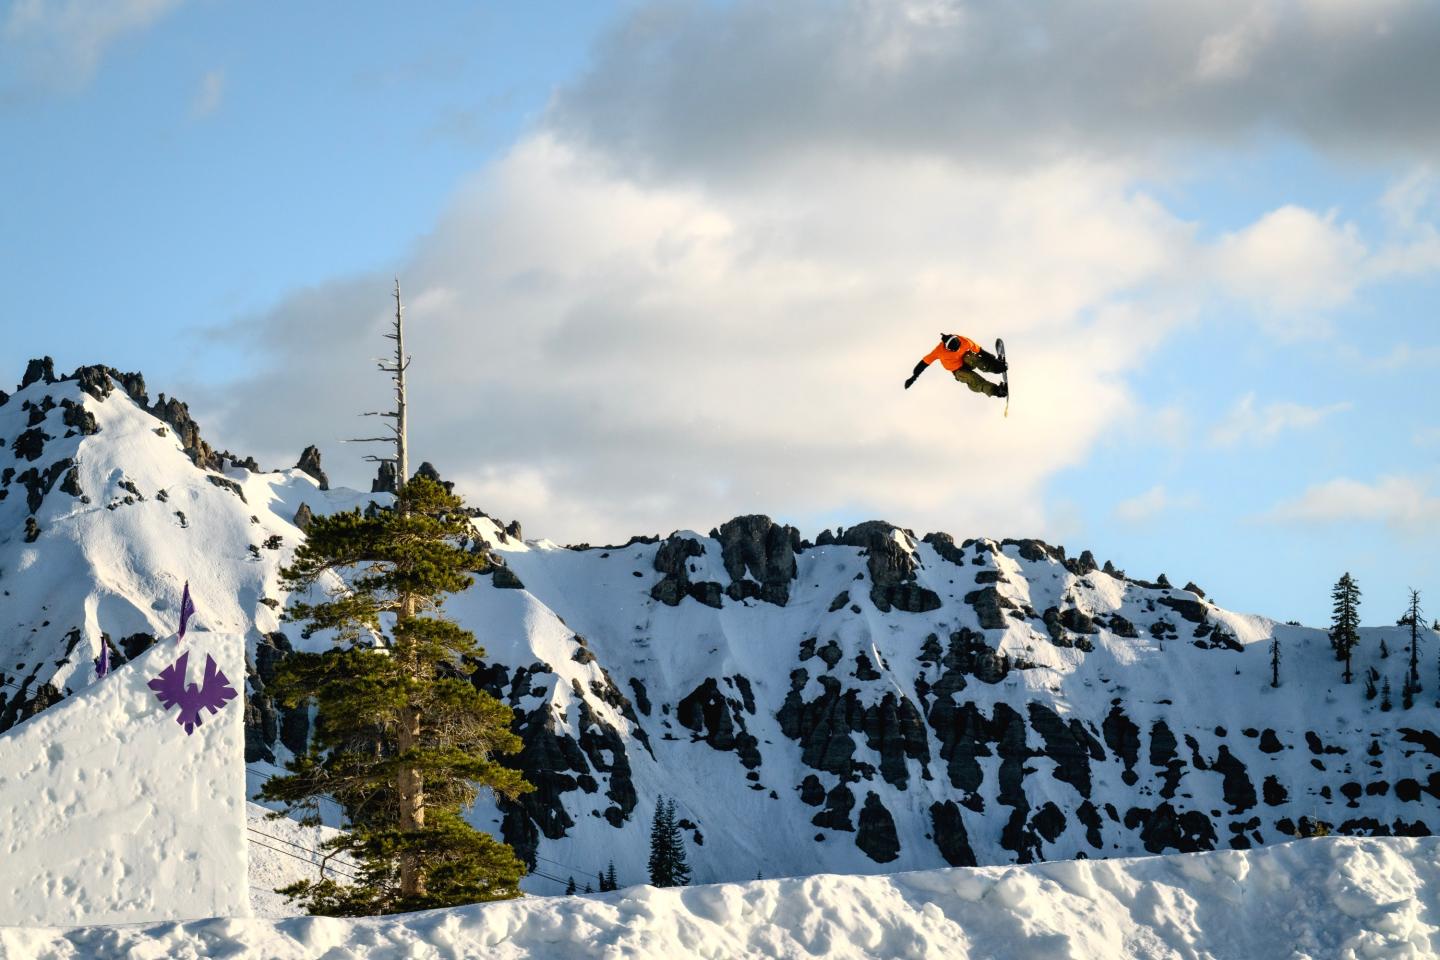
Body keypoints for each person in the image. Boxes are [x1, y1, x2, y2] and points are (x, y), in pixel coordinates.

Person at [903, 332, 1007, 398]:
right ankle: (996, 391)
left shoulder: (965, 341)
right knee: (972, 378)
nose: (957, 349)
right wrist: (913, 377)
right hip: (957, 370)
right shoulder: (939, 351)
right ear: (947, 348)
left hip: (967, 362)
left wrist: (995, 362)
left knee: (970, 356)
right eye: (954, 350)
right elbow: (923, 364)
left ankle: (995, 368)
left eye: (958, 347)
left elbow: (981, 352)